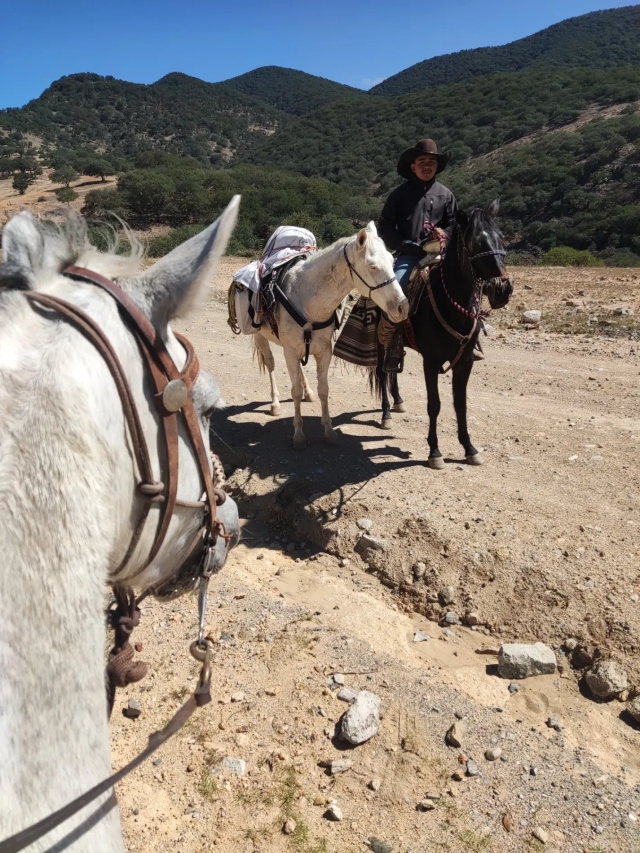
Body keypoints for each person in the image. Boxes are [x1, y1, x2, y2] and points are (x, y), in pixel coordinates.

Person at [377, 138, 457, 372]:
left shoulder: (446, 195)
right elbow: (384, 228)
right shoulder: (398, 196)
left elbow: (455, 226)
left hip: (440, 253)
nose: (426, 165)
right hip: (409, 255)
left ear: (436, 166)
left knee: (465, 283)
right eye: (421, 161)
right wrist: (403, 243)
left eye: (431, 161)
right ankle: (392, 343)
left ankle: (469, 338)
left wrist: (446, 233)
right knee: (396, 290)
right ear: (413, 166)